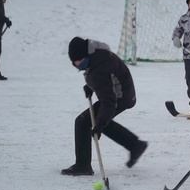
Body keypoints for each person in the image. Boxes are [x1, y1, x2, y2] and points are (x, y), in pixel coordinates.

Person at [62, 37, 148, 176]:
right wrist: (91, 87)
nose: (76, 65)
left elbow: (109, 101)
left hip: (120, 96)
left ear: (85, 55)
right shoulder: (96, 54)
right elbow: (107, 79)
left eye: (78, 61)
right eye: (74, 62)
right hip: (123, 92)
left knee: (84, 122)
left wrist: (99, 126)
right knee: (98, 119)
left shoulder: (99, 68)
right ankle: (135, 145)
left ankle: (83, 166)